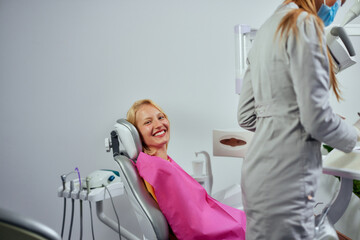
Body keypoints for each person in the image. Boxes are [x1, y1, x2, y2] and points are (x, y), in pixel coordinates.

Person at [237, 0, 360, 239]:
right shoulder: (304, 24)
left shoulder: (267, 28)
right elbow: (316, 121)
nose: (338, 6)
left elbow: (245, 116)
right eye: (340, 0)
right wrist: (354, 132)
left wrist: (294, 119)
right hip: (287, 178)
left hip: (256, 175)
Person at [126, 99, 246, 240]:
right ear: (136, 134)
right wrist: (240, 227)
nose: (158, 125)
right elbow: (193, 228)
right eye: (148, 122)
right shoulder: (158, 169)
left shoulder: (161, 163)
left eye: (161, 117)